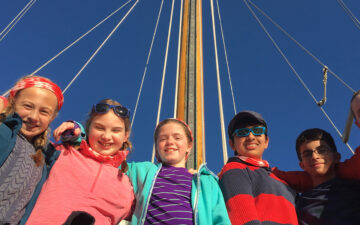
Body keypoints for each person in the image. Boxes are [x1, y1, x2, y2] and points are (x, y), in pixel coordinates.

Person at [26, 99, 135, 225]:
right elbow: (30, 139)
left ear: (125, 136)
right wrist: (75, 129)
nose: (106, 136)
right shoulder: (64, 153)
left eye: (115, 130)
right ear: (88, 130)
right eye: (99, 127)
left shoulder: (127, 184)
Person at [125, 118, 231, 225]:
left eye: (177, 137)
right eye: (162, 139)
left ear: (189, 146)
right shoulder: (142, 171)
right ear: (156, 147)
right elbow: (112, 165)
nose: (170, 142)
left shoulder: (207, 182)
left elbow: (221, 220)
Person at [0, 75, 67, 225]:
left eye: (44, 112)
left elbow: (76, 154)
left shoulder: (45, 156)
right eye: (28, 106)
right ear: (13, 101)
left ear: (53, 117)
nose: (34, 117)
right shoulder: (3, 130)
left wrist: (76, 130)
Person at [218, 110, 298, 225]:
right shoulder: (234, 170)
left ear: (266, 141)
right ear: (232, 144)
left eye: (257, 131)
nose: (251, 136)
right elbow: (243, 220)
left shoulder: (282, 179)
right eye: (242, 132)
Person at [281, 128, 360, 225]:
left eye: (322, 150)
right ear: (302, 165)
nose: (314, 156)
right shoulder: (297, 204)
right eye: (307, 154)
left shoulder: (355, 188)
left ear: (336, 157)